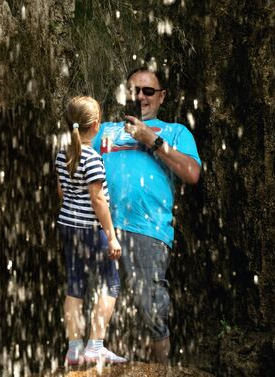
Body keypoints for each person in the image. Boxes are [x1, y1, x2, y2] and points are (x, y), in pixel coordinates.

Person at [92, 67, 201, 364]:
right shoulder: (105, 131)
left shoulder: (176, 132)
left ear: (161, 96)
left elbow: (192, 173)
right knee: (101, 306)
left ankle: (161, 370)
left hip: (148, 231)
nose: (140, 97)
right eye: (134, 91)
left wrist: (150, 139)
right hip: (103, 230)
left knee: (150, 306)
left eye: (148, 91)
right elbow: (74, 166)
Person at [56, 96, 127, 367]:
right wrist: (111, 236)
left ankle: (74, 350)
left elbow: (62, 191)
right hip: (90, 228)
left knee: (75, 287)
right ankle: (95, 347)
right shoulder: (93, 157)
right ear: (96, 125)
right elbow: (98, 200)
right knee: (111, 284)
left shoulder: (64, 153)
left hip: (67, 226)